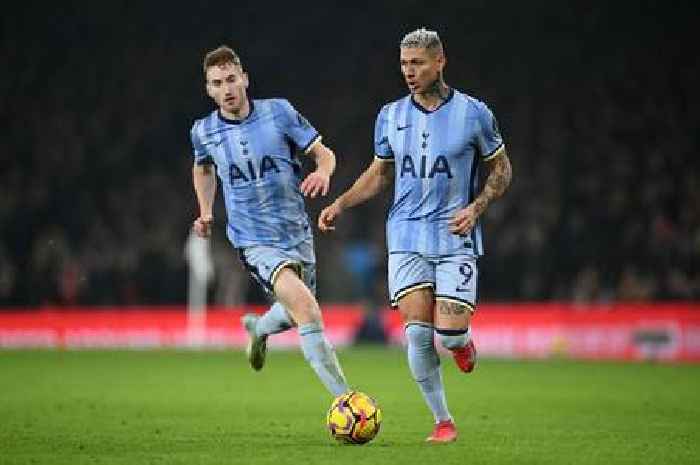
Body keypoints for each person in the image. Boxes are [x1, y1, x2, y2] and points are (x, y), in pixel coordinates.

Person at [318, 28, 512, 443]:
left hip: (454, 235)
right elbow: (381, 173)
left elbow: (502, 169)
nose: (409, 71)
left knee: (449, 333)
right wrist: (341, 203)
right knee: (418, 334)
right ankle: (443, 421)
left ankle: (461, 344)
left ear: (440, 62)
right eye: (404, 64)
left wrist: (476, 208)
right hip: (405, 235)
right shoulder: (390, 115)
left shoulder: (474, 113)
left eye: (418, 63)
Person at [190, 45, 349, 398]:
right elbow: (202, 168)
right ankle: (347, 402)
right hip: (253, 240)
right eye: (217, 83)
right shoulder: (203, 131)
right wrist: (205, 211)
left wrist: (323, 171)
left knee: (295, 312)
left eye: (231, 79)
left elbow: (324, 154)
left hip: (296, 231)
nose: (227, 89)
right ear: (209, 90)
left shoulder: (278, 112)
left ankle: (260, 330)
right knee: (307, 310)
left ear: (245, 79)